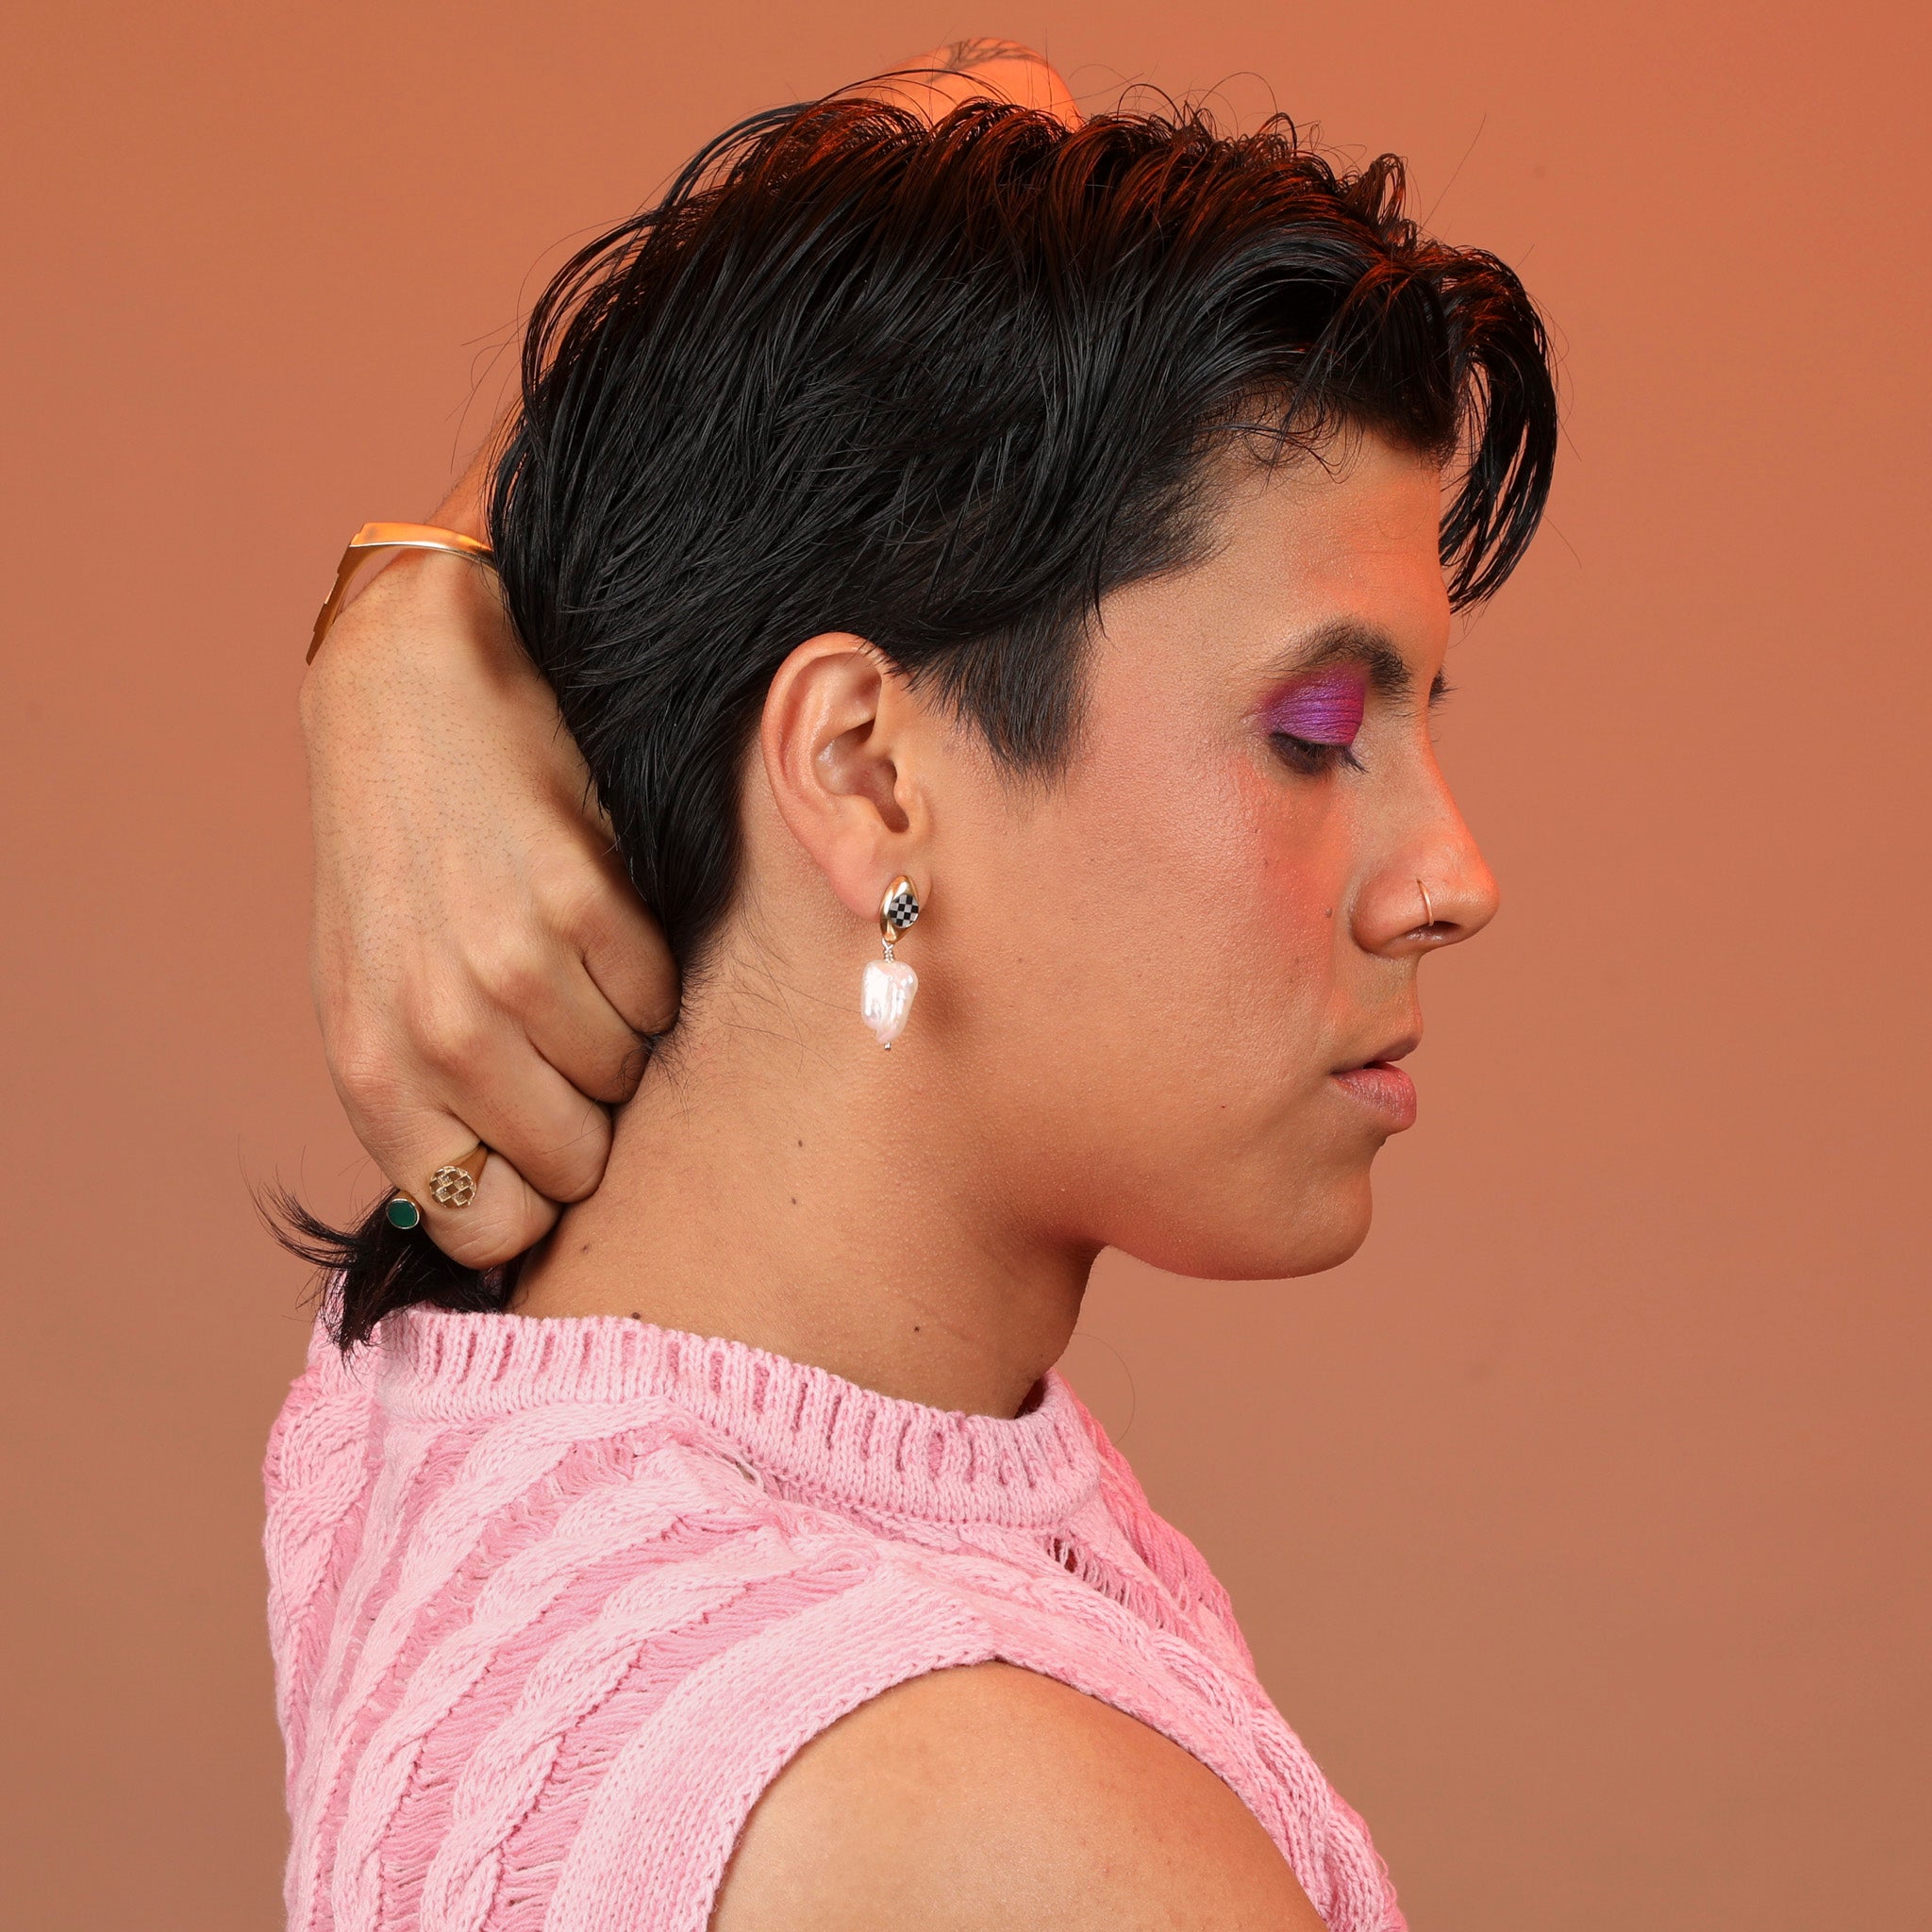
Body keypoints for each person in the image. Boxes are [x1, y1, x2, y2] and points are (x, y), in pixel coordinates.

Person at [275, 45, 1554, 1932]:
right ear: (870, 772)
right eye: (1308, 727)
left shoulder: (437, 1370)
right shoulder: (997, 1827)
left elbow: (981, 97)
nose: (1452, 878)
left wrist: (413, 593)